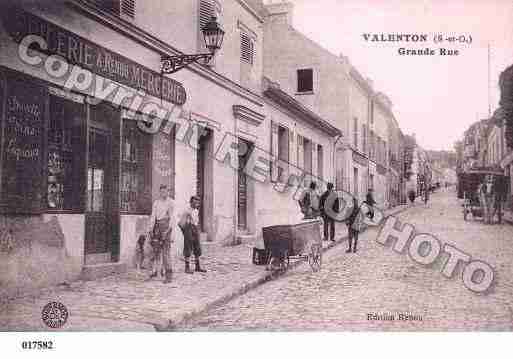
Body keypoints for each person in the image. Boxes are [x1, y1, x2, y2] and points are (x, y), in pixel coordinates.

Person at [148, 184, 174, 283]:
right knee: (155, 250)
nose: (164, 193)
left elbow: (172, 218)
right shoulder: (156, 203)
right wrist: (151, 229)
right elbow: (153, 216)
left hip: (166, 227)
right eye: (162, 191)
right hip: (157, 227)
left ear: (168, 192)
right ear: (160, 192)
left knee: (166, 252)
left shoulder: (171, 203)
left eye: (166, 191)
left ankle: (168, 275)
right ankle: (155, 271)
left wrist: (168, 231)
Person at [178, 196, 207, 274]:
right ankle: (187, 267)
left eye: (197, 203)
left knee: (197, 247)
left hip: (195, 228)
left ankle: (197, 266)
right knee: (188, 247)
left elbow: (196, 221)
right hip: (188, 229)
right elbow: (180, 223)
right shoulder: (186, 211)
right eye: (194, 202)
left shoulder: (196, 211)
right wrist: (185, 231)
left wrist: (197, 230)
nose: (196, 204)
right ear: (191, 202)